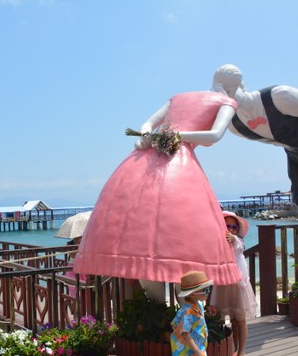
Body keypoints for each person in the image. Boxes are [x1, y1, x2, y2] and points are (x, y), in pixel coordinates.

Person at [73, 88, 241, 301]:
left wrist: (172, 135)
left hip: (172, 162)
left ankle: (179, 312)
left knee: (183, 231)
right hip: (154, 159)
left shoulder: (225, 102)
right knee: (147, 225)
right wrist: (147, 135)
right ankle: (167, 310)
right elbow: (147, 124)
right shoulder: (178, 99)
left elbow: (214, 135)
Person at [211, 64, 298, 283]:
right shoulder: (235, 126)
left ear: (240, 85)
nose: (225, 96)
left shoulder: (278, 96)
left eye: (228, 90)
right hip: (296, 149)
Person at [210, 211, 257, 356]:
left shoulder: (238, 241)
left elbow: (240, 247)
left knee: (240, 318)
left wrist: (234, 239)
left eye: (234, 227)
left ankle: (241, 352)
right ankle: (233, 350)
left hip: (239, 283)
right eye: (227, 226)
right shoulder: (217, 242)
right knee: (228, 318)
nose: (230, 230)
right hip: (223, 283)